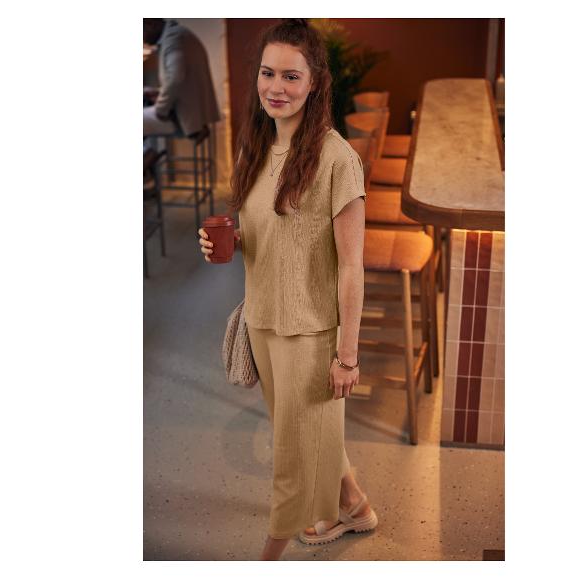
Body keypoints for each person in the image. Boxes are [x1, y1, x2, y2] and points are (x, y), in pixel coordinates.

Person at [198, 19, 377, 561]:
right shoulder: (258, 146)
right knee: (303, 434)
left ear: (315, 82)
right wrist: (228, 243)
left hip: (310, 335)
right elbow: (271, 233)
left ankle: (268, 559)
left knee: (293, 462)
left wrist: (347, 355)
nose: (276, 87)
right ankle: (355, 506)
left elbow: (352, 268)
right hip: (264, 321)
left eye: (291, 77)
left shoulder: (337, 160)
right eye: (267, 73)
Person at [143, 18, 221, 139]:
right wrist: (158, 92)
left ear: (150, 24)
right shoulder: (178, 34)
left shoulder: (173, 38)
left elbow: (175, 78)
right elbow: (183, 80)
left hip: (185, 117)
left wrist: (161, 109)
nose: (143, 40)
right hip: (191, 113)